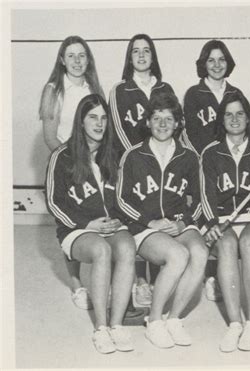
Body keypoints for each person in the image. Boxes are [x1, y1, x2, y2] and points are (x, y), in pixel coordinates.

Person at [45, 94, 136, 354]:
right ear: (81, 121)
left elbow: (124, 196)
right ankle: (101, 328)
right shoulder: (62, 156)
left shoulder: (112, 154)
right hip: (77, 229)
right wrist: (88, 224)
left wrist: (121, 218)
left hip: (110, 225)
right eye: (93, 117)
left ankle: (117, 324)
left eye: (104, 118)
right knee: (101, 250)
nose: (99, 124)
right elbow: (53, 202)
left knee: (128, 247)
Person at [116, 93, 208, 349]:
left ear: (178, 123)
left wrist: (182, 223)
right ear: (147, 122)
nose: (163, 124)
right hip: (144, 226)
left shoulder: (189, 157)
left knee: (200, 252)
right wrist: (149, 222)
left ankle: (173, 319)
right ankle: (154, 321)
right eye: (157, 118)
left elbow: (201, 201)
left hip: (177, 222)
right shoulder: (133, 156)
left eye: (169, 118)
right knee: (178, 255)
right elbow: (120, 200)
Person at [200, 91, 250, 352]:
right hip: (222, 218)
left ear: (248, 118)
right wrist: (210, 224)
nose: (234, 118)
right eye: (228, 114)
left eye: (240, 113)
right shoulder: (210, 153)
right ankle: (234, 323)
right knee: (228, 246)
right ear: (221, 119)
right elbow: (205, 193)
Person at [39, 35, 105, 310]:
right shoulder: (54, 89)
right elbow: (50, 137)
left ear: (88, 59)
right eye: (71, 56)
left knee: (96, 220)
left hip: (95, 163)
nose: (77, 61)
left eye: (82, 55)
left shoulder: (94, 87)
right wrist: (73, 161)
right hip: (68, 164)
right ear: (62, 60)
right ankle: (76, 284)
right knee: (72, 221)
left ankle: (101, 279)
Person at [109, 33, 175, 305]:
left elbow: (172, 125)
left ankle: (158, 279)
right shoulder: (119, 90)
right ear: (129, 57)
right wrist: (138, 158)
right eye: (135, 50)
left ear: (153, 55)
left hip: (161, 162)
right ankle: (139, 281)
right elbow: (117, 129)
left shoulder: (165, 88)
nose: (141, 55)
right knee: (136, 219)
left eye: (146, 50)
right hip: (132, 163)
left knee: (159, 213)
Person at [179, 39, 242, 302]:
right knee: (204, 213)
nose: (216, 65)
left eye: (221, 60)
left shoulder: (235, 93)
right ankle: (207, 273)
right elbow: (189, 133)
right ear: (203, 64)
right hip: (203, 163)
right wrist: (202, 159)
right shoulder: (194, 93)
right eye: (211, 60)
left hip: (228, 165)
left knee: (222, 213)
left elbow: (241, 131)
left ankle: (217, 272)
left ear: (228, 64)